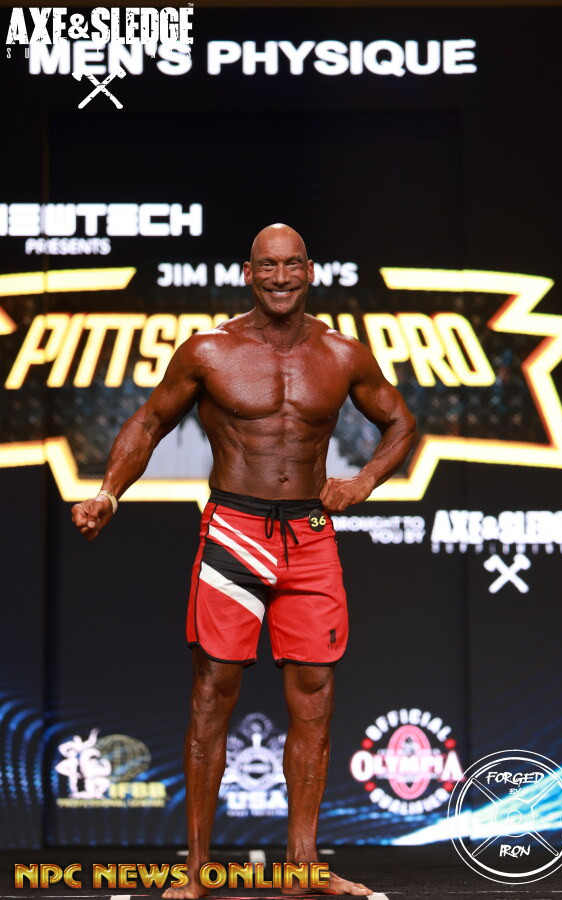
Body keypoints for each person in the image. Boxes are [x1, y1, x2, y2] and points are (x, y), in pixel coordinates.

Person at [72, 224, 416, 897]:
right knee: (212, 694)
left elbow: (399, 422)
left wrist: (363, 482)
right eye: (268, 266)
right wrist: (108, 492)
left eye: (292, 265)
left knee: (315, 697)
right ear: (248, 273)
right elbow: (149, 423)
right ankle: (197, 870)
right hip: (235, 531)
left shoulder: (342, 354)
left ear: (309, 271)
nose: (280, 278)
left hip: (309, 535)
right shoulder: (210, 350)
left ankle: (303, 868)